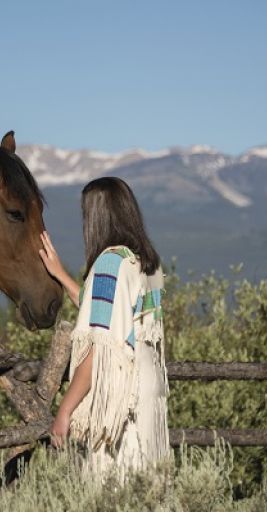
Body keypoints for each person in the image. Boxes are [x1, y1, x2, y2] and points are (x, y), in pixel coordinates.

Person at [38, 176, 170, 481]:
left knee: (113, 489)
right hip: (148, 394)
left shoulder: (109, 265)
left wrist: (65, 410)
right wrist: (60, 274)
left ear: (95, 218)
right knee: (146, 487)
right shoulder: (147, 264)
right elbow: (108, 313)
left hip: (119, 402)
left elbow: (100, 347)